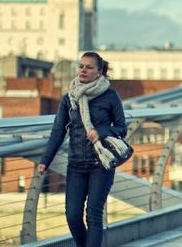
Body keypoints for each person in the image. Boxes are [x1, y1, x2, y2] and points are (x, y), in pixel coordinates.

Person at [38, 51, 127, 247]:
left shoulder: (110, 96)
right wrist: (45, 160)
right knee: (72, 216)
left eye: (89, 67)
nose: (83, 70)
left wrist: (100, 131)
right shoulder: (69, 98)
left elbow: (122, 128)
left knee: (94, 214)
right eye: (81, 66)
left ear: (99, 72)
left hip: (100, 164)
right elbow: (58, 132)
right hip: (76, 164)